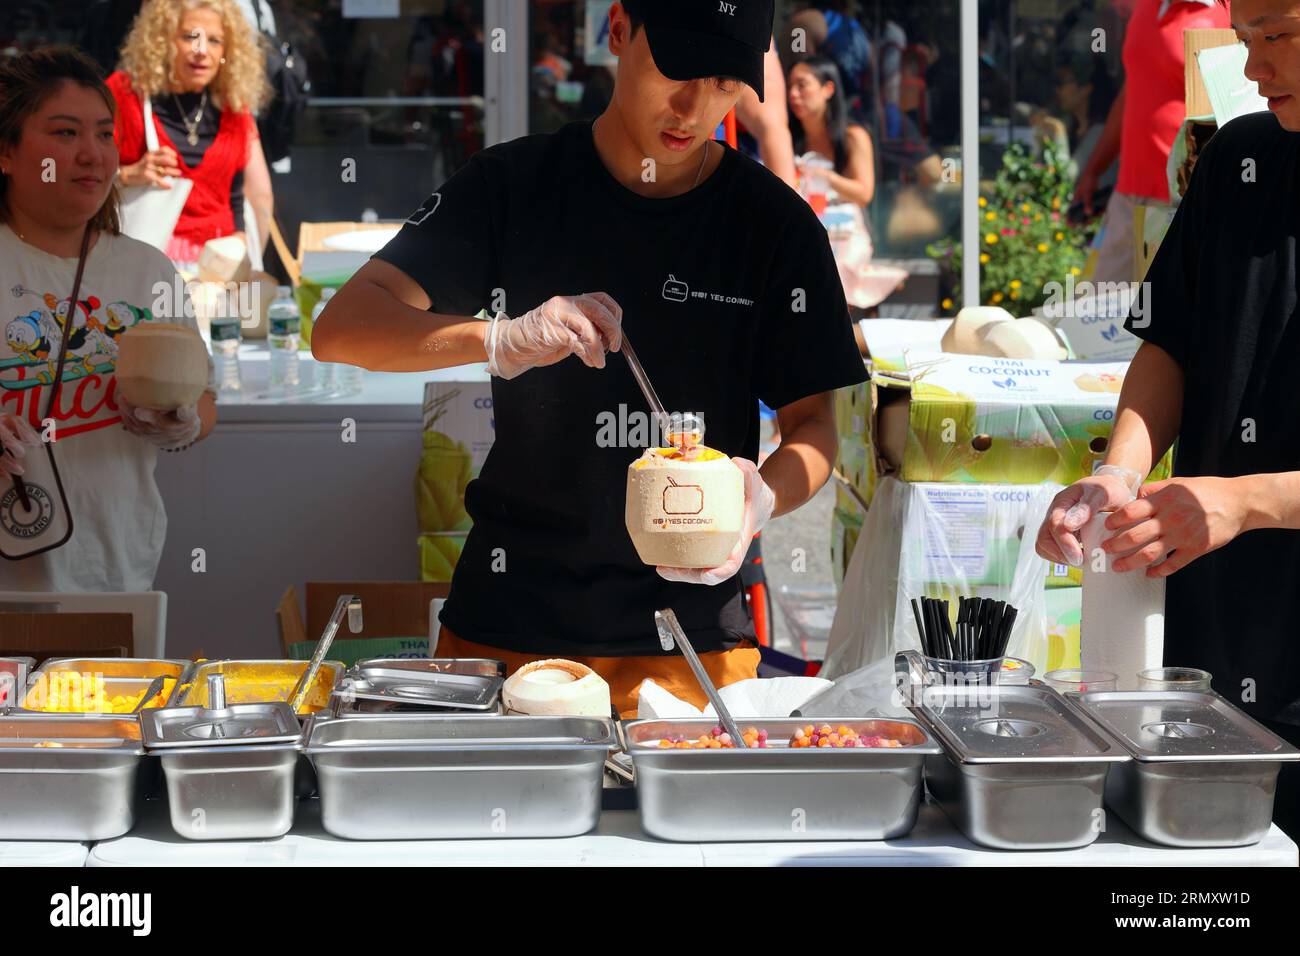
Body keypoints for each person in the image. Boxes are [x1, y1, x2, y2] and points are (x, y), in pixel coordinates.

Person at [313, 0, 865, 717]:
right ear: (617, 31)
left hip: (691, 647)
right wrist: (497, 339)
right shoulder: (513, 187)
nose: (695, 109)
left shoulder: (774, 228)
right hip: (509, 632)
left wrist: (762, 496)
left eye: (726, 85)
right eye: (679, 70)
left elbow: (815, 422)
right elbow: (343, 328)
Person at [1036, 0, 1300, 838]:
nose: (1255, 70)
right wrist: (1119, 471)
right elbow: (1169, 345)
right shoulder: (1238, 161)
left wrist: (1246, 501)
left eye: (1281, 37)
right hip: (1211, 645)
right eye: (1245, 39)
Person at [0, 46, 216, 593]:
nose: (93, 154)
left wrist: (183, 423)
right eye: (66, 134)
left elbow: (204, 399)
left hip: (119, 570)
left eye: (103, 133)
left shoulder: (148, 270)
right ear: (7, 150)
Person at [107, 0, 273, 269]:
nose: (201, 51)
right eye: (189, 37)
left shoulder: (234, 108)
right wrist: (128, 174)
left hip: (219, 268)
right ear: (163, 40)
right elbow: (78, 174)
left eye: (215, 41)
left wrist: (244, 247)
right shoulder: (125, 94)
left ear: (227, 51)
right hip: (145, 264)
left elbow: (243, 193)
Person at [1073, 0, 1230, 284]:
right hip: (1128, 193)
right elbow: (1131, 91)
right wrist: (1094, 170)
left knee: (1164, 319)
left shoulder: (1227, 12)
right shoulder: (1145, 6)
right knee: (1099, 314)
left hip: (1182, 202)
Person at [788, 55, 875, 206]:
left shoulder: (853, 136)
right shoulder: (787, 137)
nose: (793, 94)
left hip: (846, 226)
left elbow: (864, 194)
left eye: (802, 85)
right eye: (789, 87)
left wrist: (824, 176)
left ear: (827, 89)